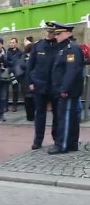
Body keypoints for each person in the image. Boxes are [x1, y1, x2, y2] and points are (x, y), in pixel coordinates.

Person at [48, 22, 85, 155]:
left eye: (59, 33)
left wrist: (64, 89)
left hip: (68, 91)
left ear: (68, 33)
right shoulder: (63, 48)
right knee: (70, 118)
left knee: (66, 118)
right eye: (56, 34)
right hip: (64, 90)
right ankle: (72, 143)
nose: (56, 36)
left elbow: (71, 71)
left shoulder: (71, 48)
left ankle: (62, 145)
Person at [27, 22, 60, 150]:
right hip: (39, 85)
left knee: (57, 114)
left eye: (54, 32)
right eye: (50, 32)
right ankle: (38, 140)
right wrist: (30, 82)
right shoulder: (38, 45)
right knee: (40, 114)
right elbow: (31, 65)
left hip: (54, 86)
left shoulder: (59, 46)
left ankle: (57, 139)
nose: (51, 34)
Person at [6, 37, 24, 112]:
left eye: (13, 42)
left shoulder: (20, 52)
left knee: (23, 88)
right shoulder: (8, 52)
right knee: (14, 89)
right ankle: (14, 105)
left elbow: (20, 61)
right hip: (12, 73)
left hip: (19, 72)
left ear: (16, 43)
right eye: (11, 42)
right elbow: (7, 62)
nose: (11, 44)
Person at [20, 37, 35, 121]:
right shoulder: (24, 56)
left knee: (33, 99)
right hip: (25, 80)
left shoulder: (34, 56)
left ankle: (33, 115)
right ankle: (29, 116)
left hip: (33, 80)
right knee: (27, 99)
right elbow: (21, 65)